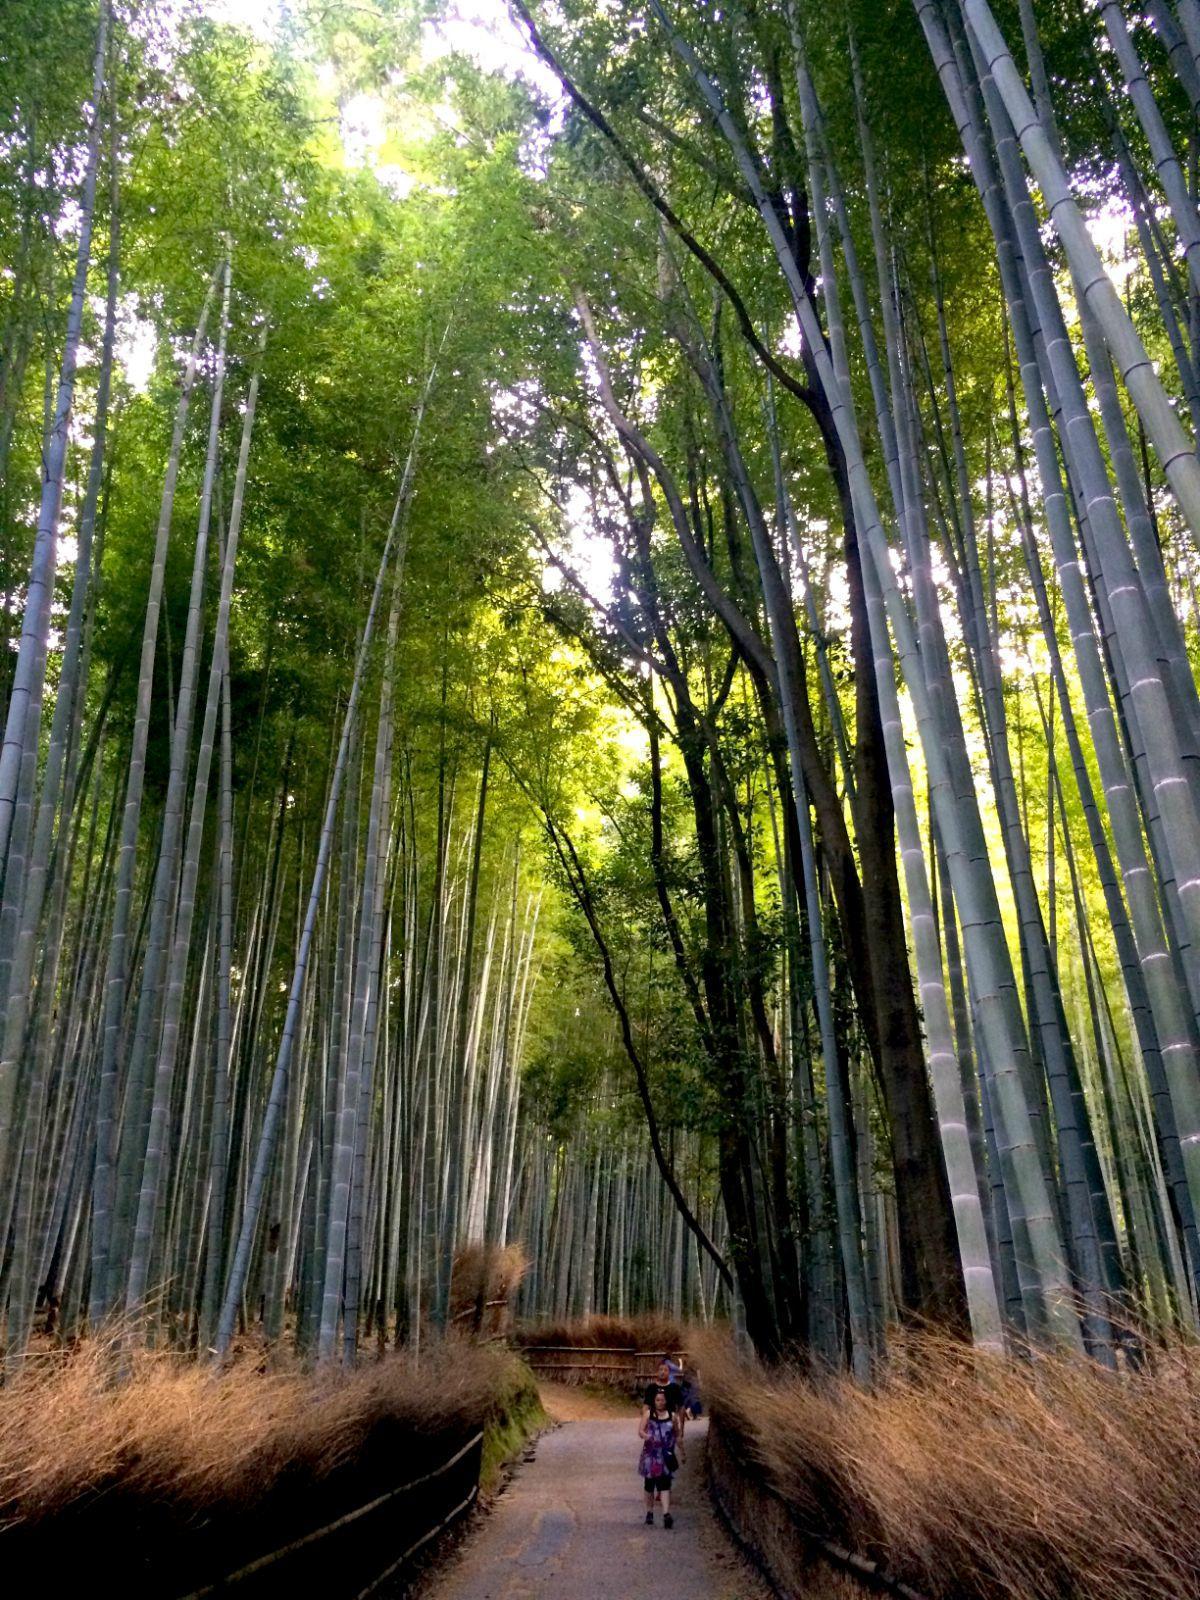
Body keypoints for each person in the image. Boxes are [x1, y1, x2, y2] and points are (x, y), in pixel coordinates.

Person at [638, 1389, 677, 1528]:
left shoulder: (673, 1416)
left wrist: (678, 1450)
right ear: (654, 1402)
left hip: (665, 1455)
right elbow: (640, 1431)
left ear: (666, 1401)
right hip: (651, 1455)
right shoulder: (648, 1414)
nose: (660, 1402)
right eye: (657, 1400)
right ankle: (649, 1512)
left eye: (662, 1400)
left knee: (665, 1484)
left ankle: (666, 1514)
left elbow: (676, 1434)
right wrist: (646, 1436)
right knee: (649, 1485)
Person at [642, 1358, 686, 1463]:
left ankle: (666, 1476)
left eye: (665, 1370)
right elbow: (645, 1406)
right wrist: (645, 1424)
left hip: (669, 1425)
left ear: (669, 1372)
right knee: (652, 1455)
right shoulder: (651, 1388)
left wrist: (681, 1428)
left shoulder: (674, 1388)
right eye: (660, 1370)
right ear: (657, 1372)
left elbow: (681, 1408)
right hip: (654, 1425)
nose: (662, 1372)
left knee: (667, 1455)